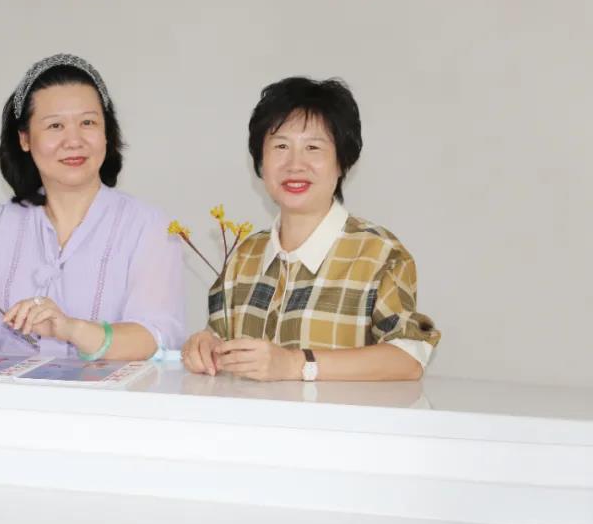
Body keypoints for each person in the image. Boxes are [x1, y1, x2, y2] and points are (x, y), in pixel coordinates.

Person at [0, 53, 183, 361]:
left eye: (88, 123)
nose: (73, 140)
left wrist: (71, 329)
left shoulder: (149, 226)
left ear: (107, 133)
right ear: (24, 139)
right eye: (55, 125)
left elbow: (157, 338)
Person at [182, 77, 440, 381]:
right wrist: (205, 346)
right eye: (281, 146)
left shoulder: (380, 254)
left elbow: (409, 358)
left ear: (342, 162)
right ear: (261, 161)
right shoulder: (244, 257)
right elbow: (219, 341)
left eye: (313, 147)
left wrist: (296, 364)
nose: (295, 164)